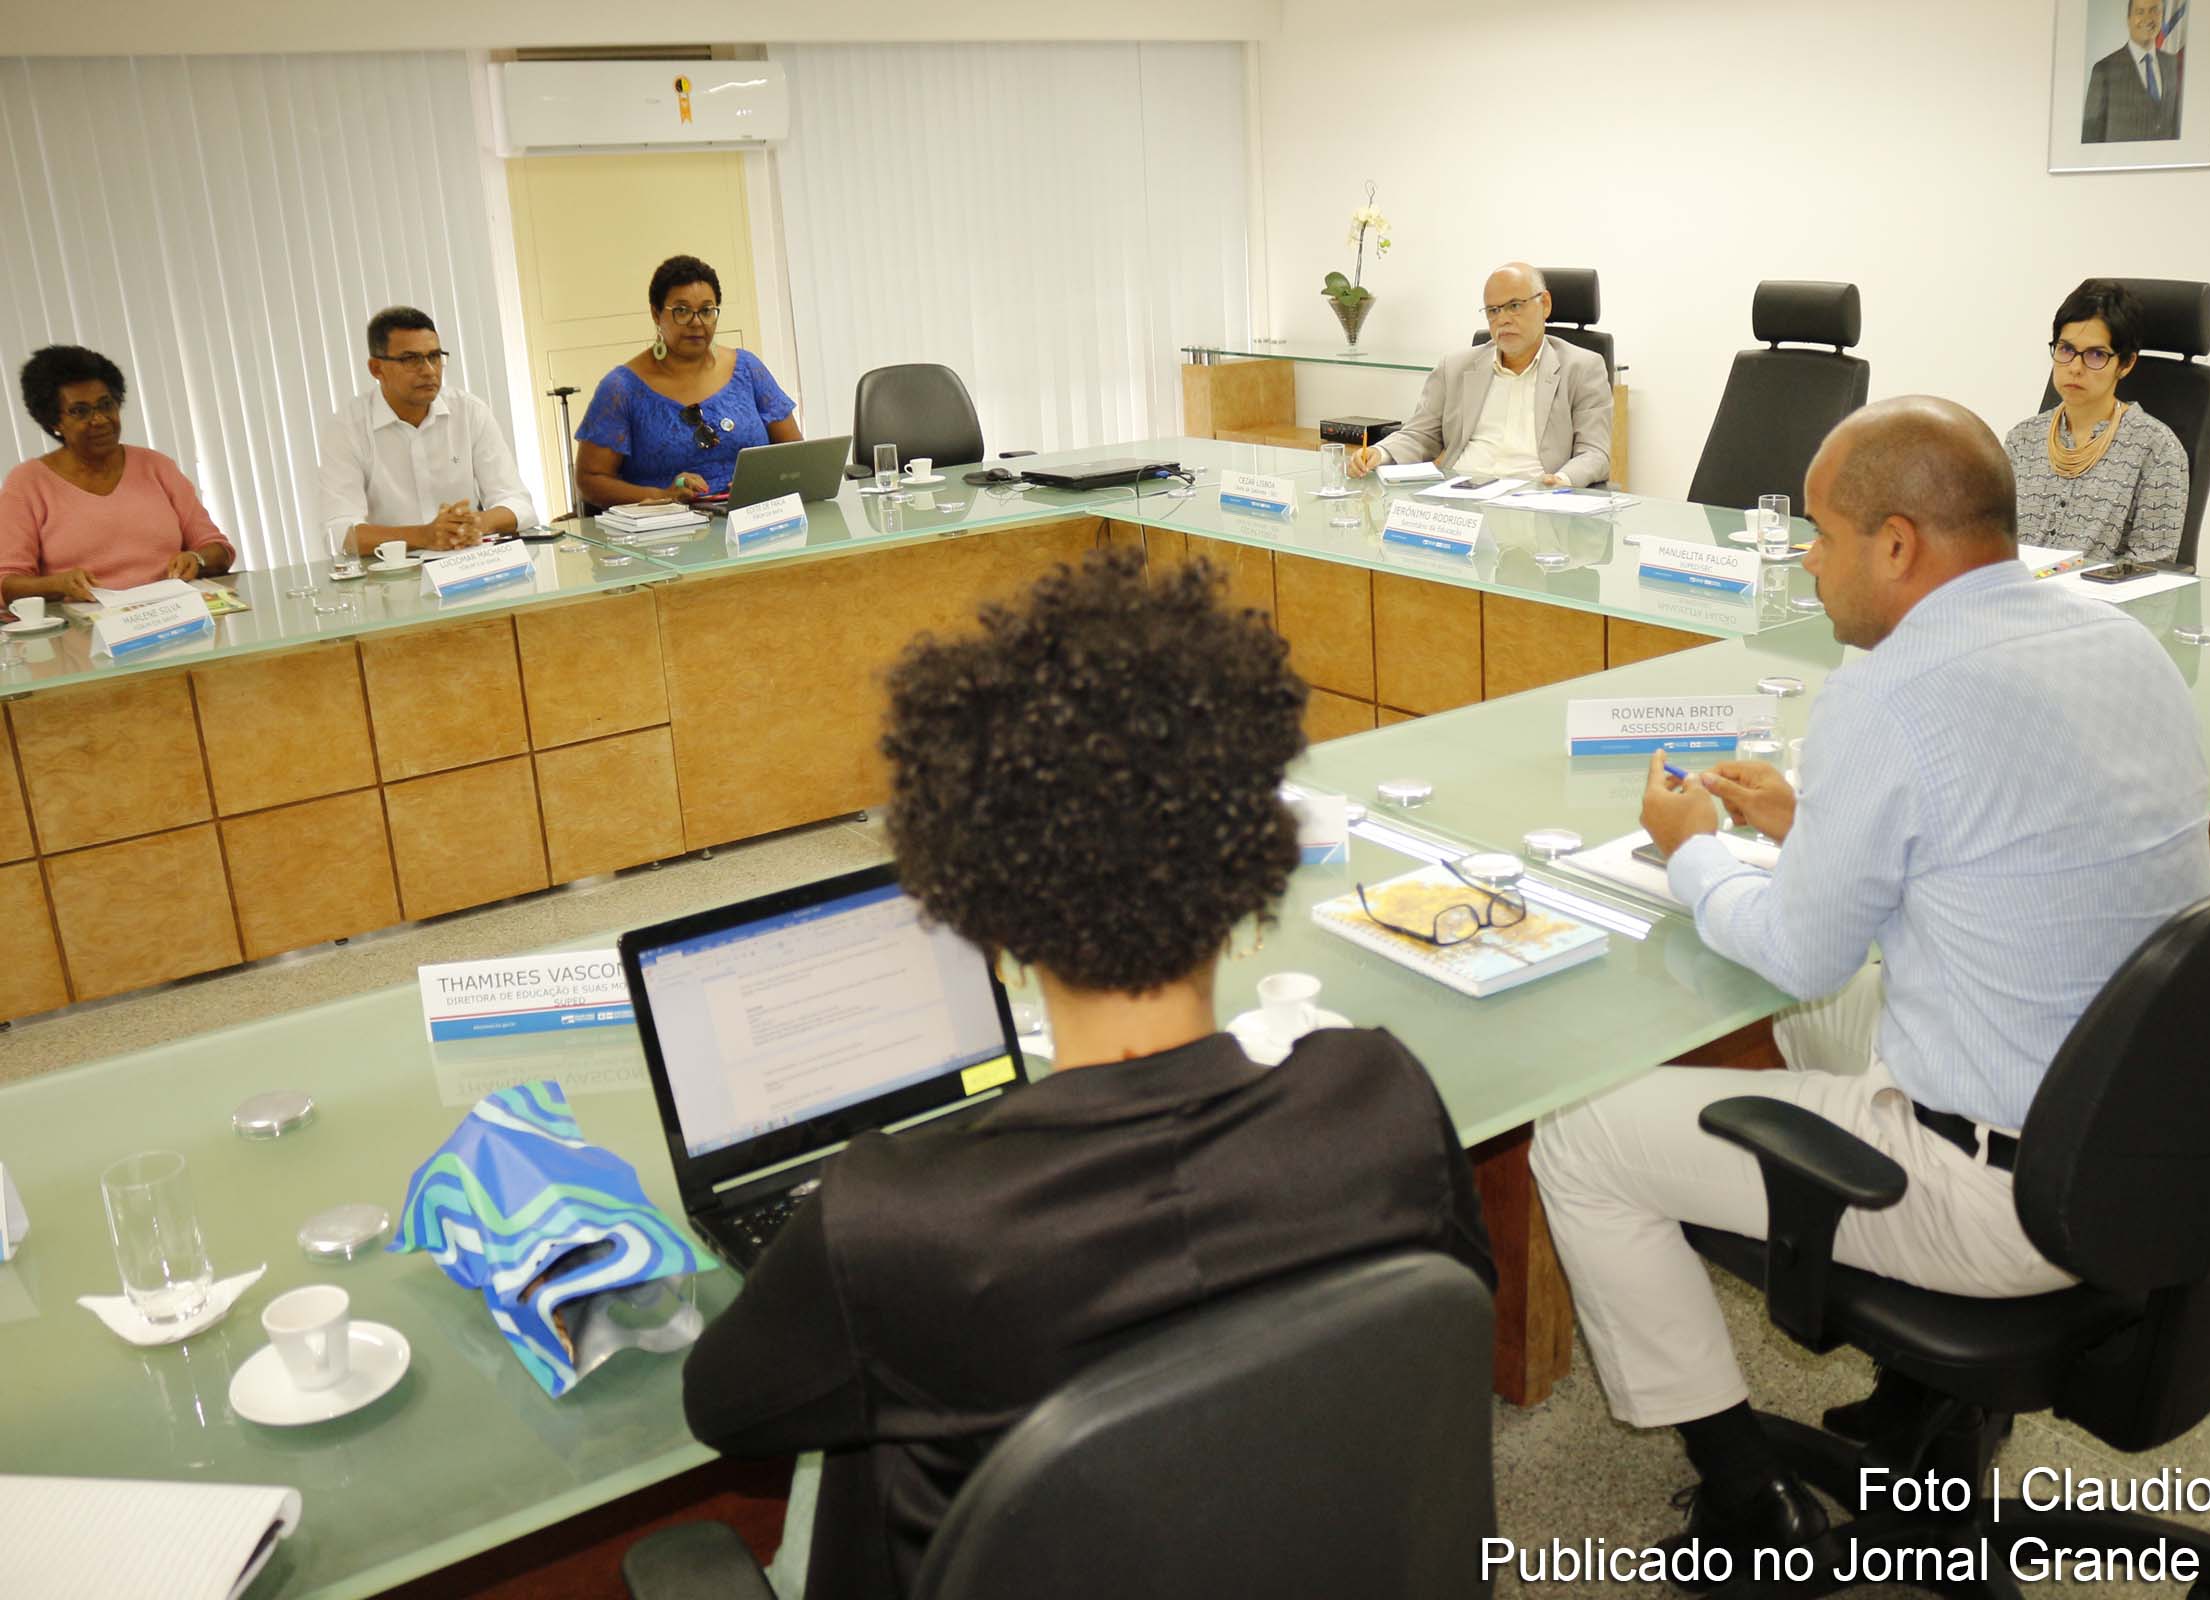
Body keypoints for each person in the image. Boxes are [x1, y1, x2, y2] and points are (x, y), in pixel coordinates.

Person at [682, 548, 1495, 1600]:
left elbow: (727, 1408)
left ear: (990, 922)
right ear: (1248, 873)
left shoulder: (892, 1219)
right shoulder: (1378, 1095)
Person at [1529, 396, 2210, 1569]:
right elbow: (2007, 847)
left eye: (1822, 532)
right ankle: (1925, 1396)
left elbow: (1796, 951)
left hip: (2006, 1193)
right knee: (1822, 1017)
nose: (1805, 554)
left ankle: (1747, 1502)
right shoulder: (2120, 641)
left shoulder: (1888, 690)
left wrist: (1692, 851)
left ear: (1898, 544)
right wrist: (1818, 824)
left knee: (1580, 1135)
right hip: (2150, 1141)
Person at [2, 345, 235, 604]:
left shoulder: (156, 467)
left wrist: (197, 559)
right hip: (87, 632)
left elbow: (219, 550)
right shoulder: (28, 483)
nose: (100, 419)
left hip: (175, 615)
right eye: (80, 411)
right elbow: (8, 583)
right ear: (53, 422)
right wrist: (57, 584)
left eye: (106, 405)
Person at [1347, 262, 1613, 488]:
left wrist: (1562, 480)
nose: (1503, 319)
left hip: (1534, 498)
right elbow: (1420, 434)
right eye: (1493, 311)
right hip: (1460, 500)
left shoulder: (1582, 368)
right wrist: (1379, 453)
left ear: (1544, 304)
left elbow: (1595, 454)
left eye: (1514, 306)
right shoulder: (1455, 367)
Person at [573, 255, 801, 509]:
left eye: (706, 311)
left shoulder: (747, 369)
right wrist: (663, 495)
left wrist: (763, 483)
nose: (696, 323)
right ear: (656, 313)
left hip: (755, 521)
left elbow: (795, 455)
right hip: (667, 534)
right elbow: (590, 480)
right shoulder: (621, 389)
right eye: (681, 311)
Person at [314, 307, 538, 558]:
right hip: (389, 576)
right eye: (411, 359)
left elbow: (519, 504)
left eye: (434, 356)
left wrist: (474, 524)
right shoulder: (347, 428)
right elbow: (340, 532)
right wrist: (424, 535)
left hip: (468, 564)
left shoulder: (469, 412)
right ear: (376, 368)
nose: (429, 370)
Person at [2006, 279, 2189, 565]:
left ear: (2126, 363)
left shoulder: (2156, 448)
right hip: (2017, 600)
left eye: (2096, 355)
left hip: (2099, 605)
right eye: (2066, 349)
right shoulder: (2022, 439)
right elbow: (1996, 544)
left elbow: (2152, 566)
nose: (2075, 368)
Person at [2081, 0, 2183, 144]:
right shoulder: (2104, 70)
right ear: (2128, 19)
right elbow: (2090, 137)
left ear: (2162, 16)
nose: (2148, 18)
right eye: (2140, 12)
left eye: (2154, 10)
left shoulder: (2173, 64)